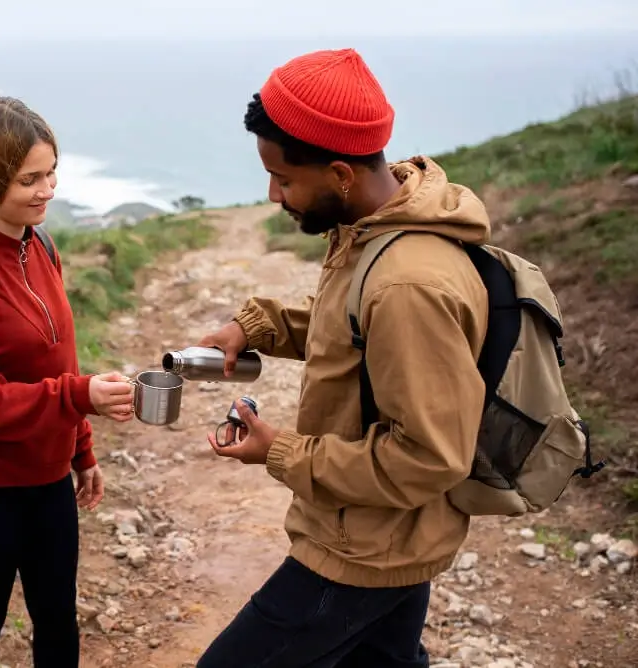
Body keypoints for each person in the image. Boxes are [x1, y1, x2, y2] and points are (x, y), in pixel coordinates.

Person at [196, 48, 492, 667]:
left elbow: (429, 457)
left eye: (283, 177)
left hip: (363, 548)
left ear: (339, 173)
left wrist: (277, 450)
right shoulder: (375, 226)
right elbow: (352, 325)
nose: (274, 193)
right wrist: (256, 327)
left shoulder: (409, 283)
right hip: (390, 538)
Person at [0, 95, 136, 668]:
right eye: (29, 179)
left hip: (45, 479)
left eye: (51, 172)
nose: (47, 189)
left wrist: (80, 448)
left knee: (58, 618)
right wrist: (77, 397)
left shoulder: (41, 246)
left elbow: (56, 364)